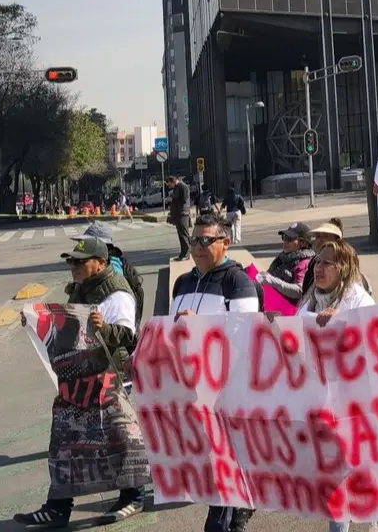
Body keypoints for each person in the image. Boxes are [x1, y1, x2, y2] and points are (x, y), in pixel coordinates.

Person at [14, 238, 145, 528]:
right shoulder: (82, 289)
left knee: (120, 437)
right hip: (82, 376)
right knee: (66, 439)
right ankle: (58, 505)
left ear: (99, 263)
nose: (72, 266)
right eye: (70, 261)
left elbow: (128, 336)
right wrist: (37, 324)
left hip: (111, 377)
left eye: (78, 262)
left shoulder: (117, 292)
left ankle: (133, 495)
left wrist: (105, 328)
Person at [167, 213, 260, 532]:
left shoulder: (238, 282)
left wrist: (201, 327)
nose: (197, 246)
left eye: (206, 240)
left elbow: (246, 336)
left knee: (223, 465)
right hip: (191, 392)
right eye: (194, 240)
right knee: (210, 467)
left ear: (225, 243)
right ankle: (239, 510)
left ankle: (225, 521)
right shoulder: (183, 282)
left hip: (226, 392)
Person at [71, 223, 145, 325]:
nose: (81, 246)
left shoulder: (114, 271)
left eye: (86, 243)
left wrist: (103, 327)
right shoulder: (106, 265)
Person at [255, 222, 316, 305]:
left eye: (290, 239)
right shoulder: (283, 258)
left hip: (288, 310)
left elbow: (299, 291)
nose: (285, 241)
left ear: (302, 243)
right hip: (272, 302)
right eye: (284, 237)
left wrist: (274, 281)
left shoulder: (304, 263)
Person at [166, 175, 190, 261]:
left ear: (173, 181)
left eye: (169, 184)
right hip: (178, 214)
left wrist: (174, 197)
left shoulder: (183, 187)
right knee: (180, 234)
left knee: (184, 234)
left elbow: (184, 199)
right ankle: (183, 253)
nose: (169, 187)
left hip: (183, 213)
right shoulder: (176, 188)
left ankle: (187, 253)